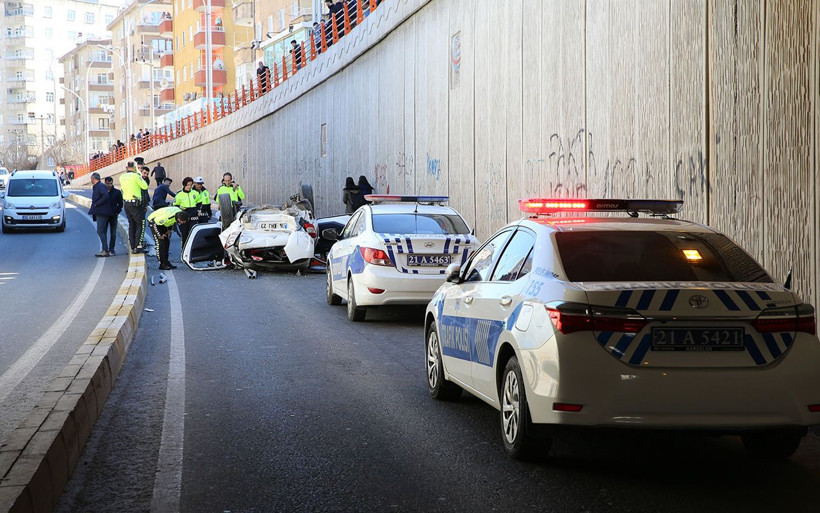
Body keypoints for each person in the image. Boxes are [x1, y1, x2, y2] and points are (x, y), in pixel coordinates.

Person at [119, 161, 148, 253]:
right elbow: (145, 186)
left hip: (127, 203)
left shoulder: (122, 177)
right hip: (135, 204)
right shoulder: (136, 176)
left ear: (127, 167)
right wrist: (139, 174)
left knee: (131, 224)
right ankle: (138, 246)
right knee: (140, 224)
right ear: (135, 167)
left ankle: (133, 246)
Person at [88, 172, 112, 257]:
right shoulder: (97, 186)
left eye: (91, 178)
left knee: (100, 231)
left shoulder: (100, 186)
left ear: (93, 178)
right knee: (102, 231)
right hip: (100, 211)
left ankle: (105, 250)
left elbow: (105, 195)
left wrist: (96, 204)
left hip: (102, 212)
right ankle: (104, 249)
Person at [174, 176, 200, 248]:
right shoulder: (179, 194)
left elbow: (199, 202)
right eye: (188, 185)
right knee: (184, 234)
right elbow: (175, 205)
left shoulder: (195, 193)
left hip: (193, 214)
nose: (189, 187)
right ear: (184, 185)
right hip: (184, 215)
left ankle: (192, 249)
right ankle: (184, 249)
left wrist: (198, 210)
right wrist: (180, 208)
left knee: (192, 233)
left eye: (191, 185)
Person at [104, 176, 123, 255]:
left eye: (110, 183)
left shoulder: (117, 192)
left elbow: (120, 204)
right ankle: (105, 249)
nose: (109, 185)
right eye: (107, 183)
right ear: (105, 183)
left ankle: (112, 249)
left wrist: (116, 212)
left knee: (113, 233)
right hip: (104, 215)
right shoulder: (102, 192)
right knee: (103, 233)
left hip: (113, 215)